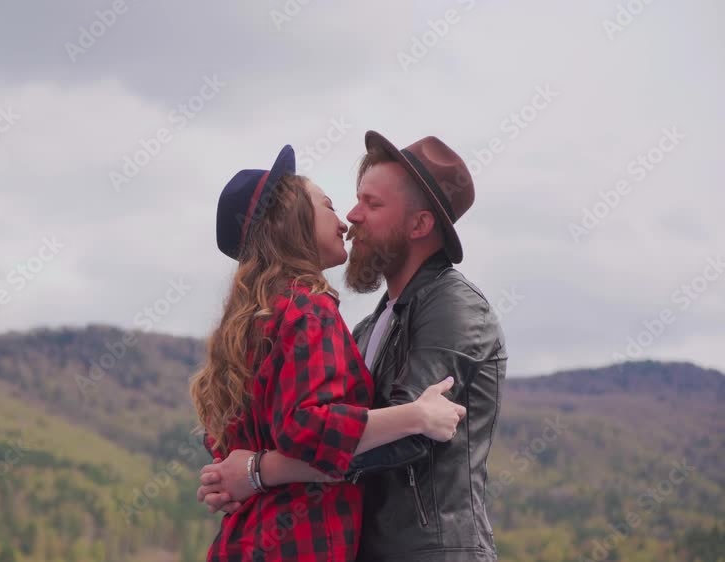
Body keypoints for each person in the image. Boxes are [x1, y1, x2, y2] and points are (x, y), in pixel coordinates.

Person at [198, 132, 508, 562]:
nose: (351, 215)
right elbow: (311, 421)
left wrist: (257, 471)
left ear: (418, 225)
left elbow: (410, 436)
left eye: (372, 204)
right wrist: (229, 474)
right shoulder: (361, 327)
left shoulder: (455, 307)